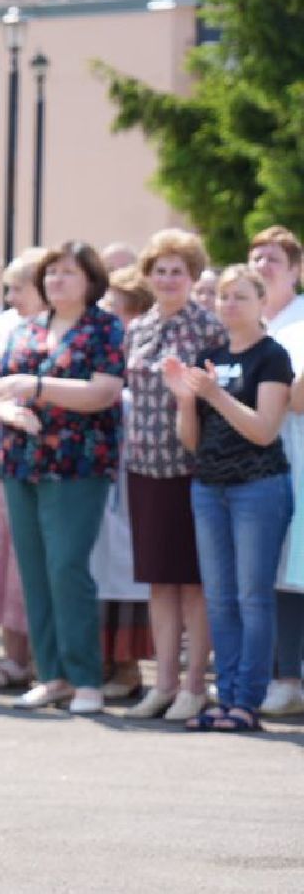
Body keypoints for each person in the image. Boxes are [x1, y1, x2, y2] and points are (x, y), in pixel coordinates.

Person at [0, 241, 124, 714]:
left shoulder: (103, 328)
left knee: (67, 567)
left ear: (90, 281)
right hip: (21, 459)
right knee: (34, 570)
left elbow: (103, 392)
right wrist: (3, 408)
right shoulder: (27, 328)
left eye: (67, 272)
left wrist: (39, 387)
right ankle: (52, 675)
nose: (56, 281)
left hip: (77, 462)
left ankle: (86, 679)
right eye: (51, 273)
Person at [167, 266, 294, 731]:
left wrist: (216, 394)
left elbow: (264, 431)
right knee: (219, 599)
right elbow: (192, 442)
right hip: (209, 487)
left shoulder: (272, 356)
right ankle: (225, 698)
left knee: (252, 597)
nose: (230, 305)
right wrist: (185, 400)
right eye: (223, 297)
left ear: (261, 303)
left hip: (257, 487)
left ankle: (247, 701)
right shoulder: (210, 356)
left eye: (241, 296)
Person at [119, 230, 222, 721]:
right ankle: (163, 683)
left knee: (193, 582)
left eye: (177, 271)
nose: (167, 279)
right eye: (160, 270)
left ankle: (195, 685)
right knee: (159, 581)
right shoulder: (138, 328)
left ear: (193, 276)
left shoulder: (208, 328)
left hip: (190, 467)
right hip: (144, 467)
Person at [0, 250, 43, 689]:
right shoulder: (5, 328)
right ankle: (11, 656)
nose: (12, 296)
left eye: (20, 288)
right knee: (2, 555)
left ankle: (37, 657)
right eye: (10, 288)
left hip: (44, 458)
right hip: (5, 455)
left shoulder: (54, 331)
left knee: (29, 559)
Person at [248, 225, 304, 716]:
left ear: (295, 271)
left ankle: (289, 675)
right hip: (248, 467)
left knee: (292, 571)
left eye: (273, 260)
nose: (263, 266)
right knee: (263, 573)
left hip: (293, 459)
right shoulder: (242, 322)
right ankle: (269, 674)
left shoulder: (299, 325)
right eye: (257, 258)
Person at [95, 267, 154, 701]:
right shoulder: (100, 349)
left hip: (137, 474)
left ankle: (128, 663)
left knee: (128, 571)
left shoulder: (145, 355)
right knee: (99, 567)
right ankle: (99, 660)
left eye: (120, 309)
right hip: (101, 472)